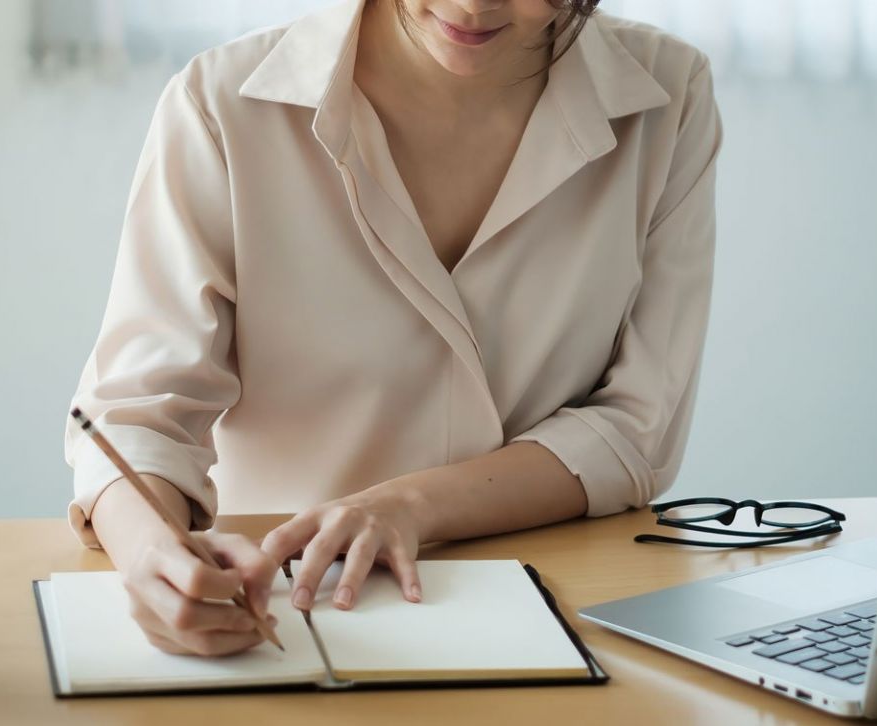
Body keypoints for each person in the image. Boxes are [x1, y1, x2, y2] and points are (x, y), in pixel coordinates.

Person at [65, 0, 719, 657]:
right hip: (292, 614)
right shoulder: (222, 106)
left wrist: (410, 505)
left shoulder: (668, 94)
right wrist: (153, 555)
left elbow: (638, 427)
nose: (475, 4)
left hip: (566, 609)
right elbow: (137, 418)